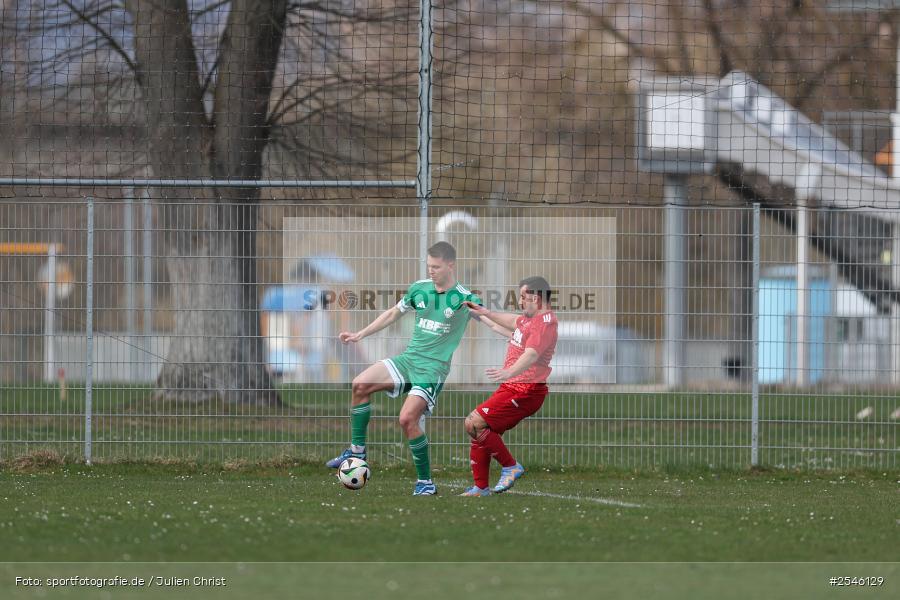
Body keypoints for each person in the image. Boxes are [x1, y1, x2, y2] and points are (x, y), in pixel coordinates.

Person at [326, 241, 482, 496]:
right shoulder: (419, 290)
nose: (430, 271)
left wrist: (518, 331)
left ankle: (425, 483)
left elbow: (489, 318)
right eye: (428, 266)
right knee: (360, 384)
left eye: (436, 266)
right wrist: (360, 334)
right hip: (409, 360)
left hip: (432, 370)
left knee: (407, 419)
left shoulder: (465, 298)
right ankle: (356, 452)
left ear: (450, 266)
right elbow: (391, 314)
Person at [460, 276, 558, 496]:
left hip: (525, 390)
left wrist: (508, 372)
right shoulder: (528, 320)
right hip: (513, 387)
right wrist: (480, 312)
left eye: (524, 297)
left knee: (473, 423)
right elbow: (501, 323)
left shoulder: (545, 324)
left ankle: (511, 466)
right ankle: (480, 487)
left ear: (537, 297)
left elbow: (532, 354)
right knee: (480, 429)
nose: (520, 302)